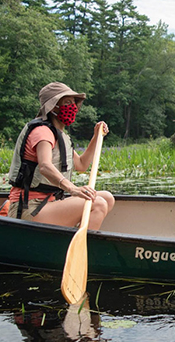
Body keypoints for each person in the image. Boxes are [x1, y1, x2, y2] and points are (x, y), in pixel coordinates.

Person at [6, 82, 115, 231]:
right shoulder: (42, 132)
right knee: (99, 203)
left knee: (107, 197)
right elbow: (45, 166)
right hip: (30, 208)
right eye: (67, 102)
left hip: (49, 203)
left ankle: (74, 238)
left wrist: (96, 137)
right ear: (53, 107)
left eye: (74, 102)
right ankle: (82, 247)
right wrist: (72, 189)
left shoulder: (61, 136)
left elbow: (82, 165)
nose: (74, 107)